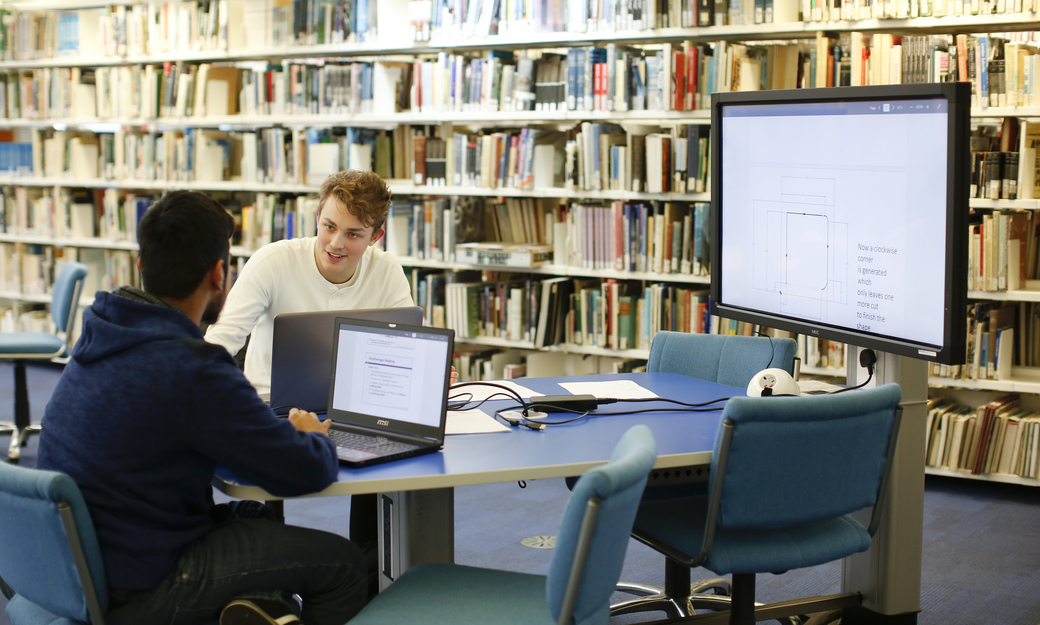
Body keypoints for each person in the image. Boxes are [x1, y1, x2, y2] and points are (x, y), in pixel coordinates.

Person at [36, 190, 367, 625]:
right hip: (143, 585)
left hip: (81, 566)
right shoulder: (190, 367)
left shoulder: (105, 331)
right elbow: (304, 471)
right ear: (218, 274)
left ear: (142, 266)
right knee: (342, 565)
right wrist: (313, 438)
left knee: (254, 516)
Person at [205, 169, 414, 396]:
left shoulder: (387, 271)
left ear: (375, 237)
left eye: (353, 234)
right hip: (272, 407)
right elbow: (221, 341)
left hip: (353, 406)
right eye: (329, 227)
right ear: (317, 218)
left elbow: (408, 351)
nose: (336, 243)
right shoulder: (271, 262)